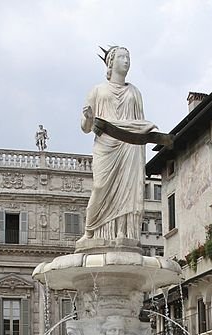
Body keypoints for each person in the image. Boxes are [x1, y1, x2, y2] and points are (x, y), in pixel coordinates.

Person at [79, 46, 164, 244]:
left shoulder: (134, 92)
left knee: (128, 192)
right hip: (106, 145)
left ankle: (124, 234)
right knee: (100, 187)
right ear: (111, 62)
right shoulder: (97, 90)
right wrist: (88, 118)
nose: (126, 61)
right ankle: (90, 232)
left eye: (128, 57)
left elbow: (139, 123)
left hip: (130, 146)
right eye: (122, 57)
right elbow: (85, 127)